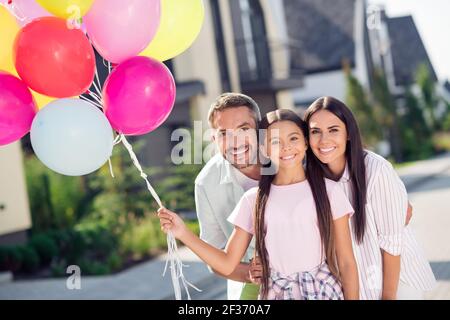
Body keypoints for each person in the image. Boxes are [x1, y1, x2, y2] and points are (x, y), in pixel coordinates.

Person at [158, 109, 359, 300]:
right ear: (263, 148)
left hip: (323, 291)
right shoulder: (253, 200)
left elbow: (347, 263)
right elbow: (227, 264)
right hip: (276, 293)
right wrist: (183, 233)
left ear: (306, 142)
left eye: (293, 138)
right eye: (275, 141)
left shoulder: (329, 191)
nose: (286, 147)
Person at [303, 96, 436, 299]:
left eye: (333, 130)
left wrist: (388, 297)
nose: (324, 140)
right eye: (315, 132)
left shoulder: (376, 170)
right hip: (355, 286)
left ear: (348, 133)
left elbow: (392, 243)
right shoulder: (311, 180)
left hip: (397, 282)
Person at [194, 93, 262, 299]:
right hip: (247, 288)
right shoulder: (206, 183)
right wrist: (251, 274)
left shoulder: (286, 159)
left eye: (243, 129)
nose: (235, 142)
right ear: (214, 139)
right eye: (224, 133)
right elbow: (213, 257)